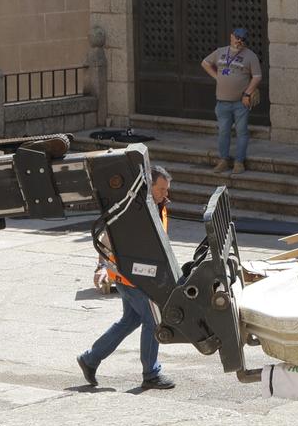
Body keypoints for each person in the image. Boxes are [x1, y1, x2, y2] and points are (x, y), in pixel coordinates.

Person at [77, 164, 177, 391]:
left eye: (166, 189)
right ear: (149, 186)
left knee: (130, 320)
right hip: (133, 279)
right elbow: (105, 237)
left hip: (136, 276)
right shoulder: (135, 209)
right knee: (153, 321)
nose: (165, 194)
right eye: (161, 189)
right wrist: (101, 266)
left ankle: (90, 359)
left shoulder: (156, 205)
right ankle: (151, 373)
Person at [201, 26, 262, 174]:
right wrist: (217, 77)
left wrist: (248, 93)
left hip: (240, 102)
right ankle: (223, 160)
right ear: (231, 36)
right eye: (237, 37)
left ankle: (239, 162)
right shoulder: (221, 52)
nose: (239, 41)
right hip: (222, 101)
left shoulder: (250, 56)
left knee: (242, 132)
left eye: (242, 39)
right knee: (223, 131)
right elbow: (205, 63)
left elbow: (257, 76)